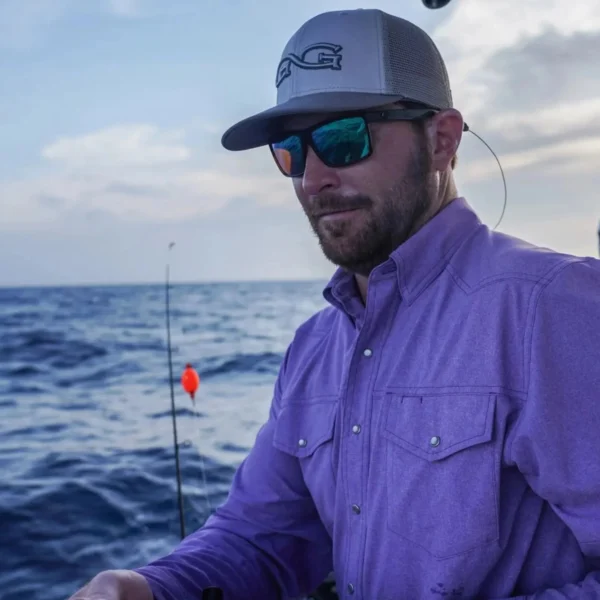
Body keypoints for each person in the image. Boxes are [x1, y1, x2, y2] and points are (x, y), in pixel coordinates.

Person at [68, 8, 600, 600]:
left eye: (344, 138)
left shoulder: (555, 307)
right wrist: (143, 588)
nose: (312, 178)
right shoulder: (314, 348)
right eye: (290, 151)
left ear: (442, 140)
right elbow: (260, 537)